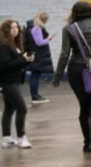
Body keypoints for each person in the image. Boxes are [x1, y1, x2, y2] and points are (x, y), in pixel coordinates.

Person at [53, 1, 91, 158]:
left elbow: (65, 53)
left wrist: (58, 75)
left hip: (77, 69)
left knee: (83, 105)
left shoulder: (69, 28)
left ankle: (88, 142)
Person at [0, 20, 33, 149]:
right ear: (5, 30)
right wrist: (23, 59)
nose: (14, 30)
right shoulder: (3, 46)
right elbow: (4, 65)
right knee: (22, 108)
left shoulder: (14, 44)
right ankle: (21, 137)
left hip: (13, 80)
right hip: (6, 81)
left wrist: (27, 61)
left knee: (9, 108)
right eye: (11, 28)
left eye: (16, 27)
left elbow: (18, 63)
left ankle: (7, 138)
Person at [25, 12, 55, 103]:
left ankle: (35, 95)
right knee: (35, 76)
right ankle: (35, 96)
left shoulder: (30, 28)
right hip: (38, 55)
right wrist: (48, 38)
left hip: (34, 54)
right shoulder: (37, 28)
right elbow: (39, 42)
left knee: (35, 75)